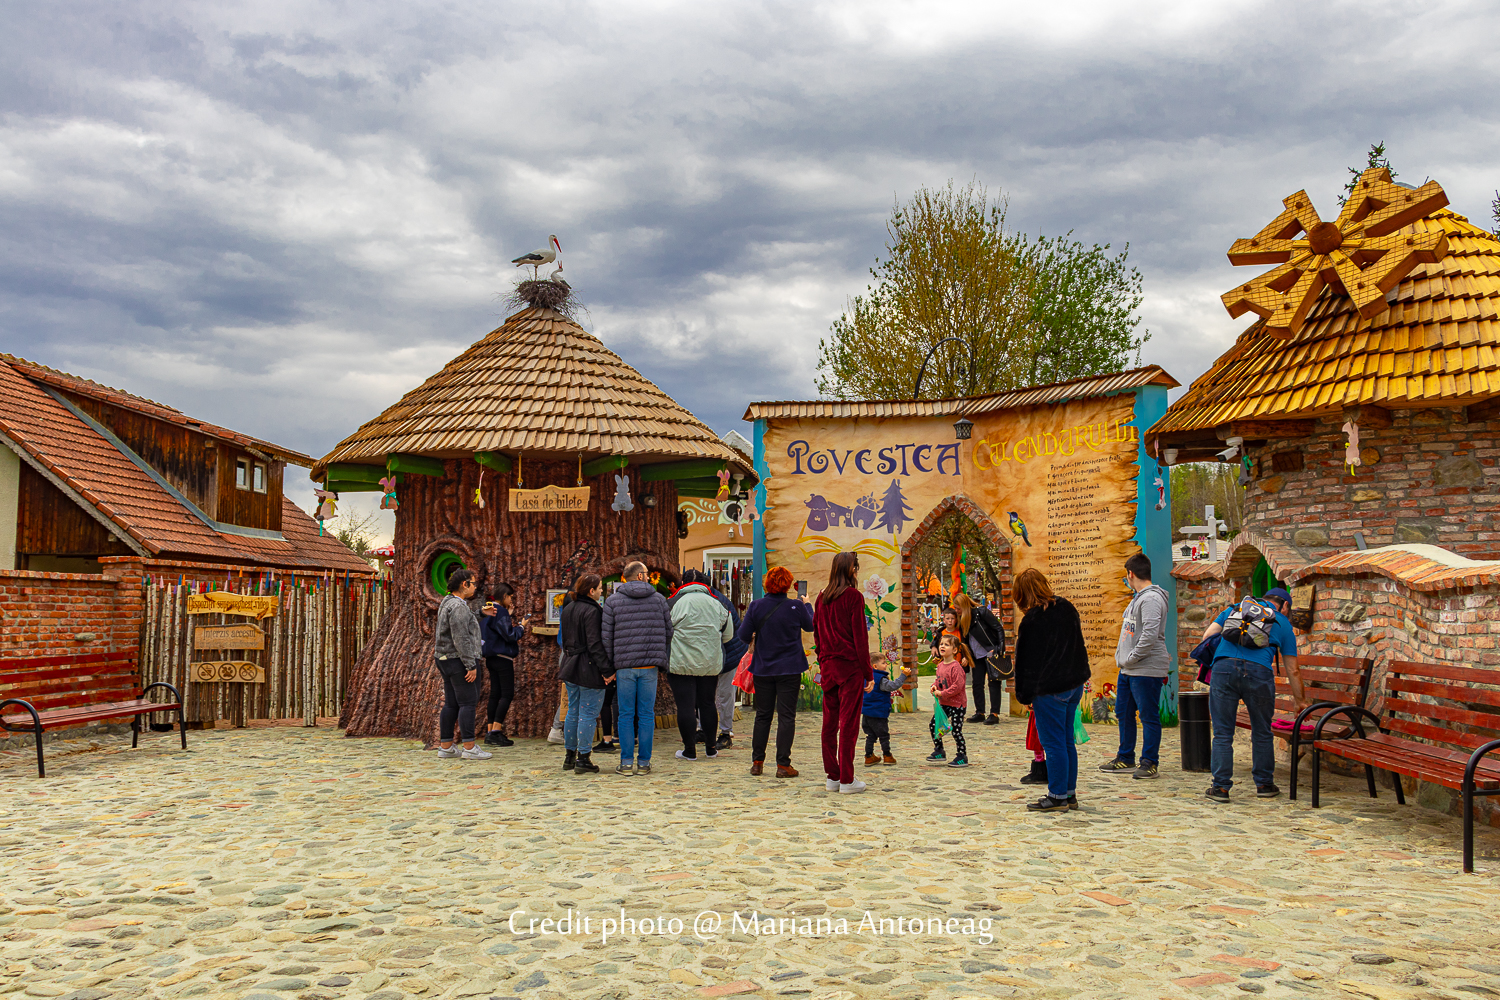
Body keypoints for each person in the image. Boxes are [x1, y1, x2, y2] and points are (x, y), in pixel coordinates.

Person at [1201, 587, 1298, 803]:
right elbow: (1293, 670)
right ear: (1285, 605)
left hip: (1223, 669)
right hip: (1258, 673)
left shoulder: (1234, 609)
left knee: (1222, 733)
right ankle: (1264, 784)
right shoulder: (1282, 622)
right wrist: (1301, 701)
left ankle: (1220, 788)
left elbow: (1208, 636)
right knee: (1262, 731)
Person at [1012, 568, 1091, 812]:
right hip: (1073, 684)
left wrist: (1024, 695)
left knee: (1053, 744)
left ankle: (1057, 796)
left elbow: (1026, 663)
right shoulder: (1067, 608)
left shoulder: (1033, 621)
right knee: (1066, 741)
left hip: (1050, 689)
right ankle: (1069, 792)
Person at [738, 565, 814, 778]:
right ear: (789, 584)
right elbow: (811, 626)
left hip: (763, 668)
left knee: (762, 715)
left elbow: (743, 636)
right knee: (786, 716)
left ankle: (757, 762)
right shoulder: (796, 607)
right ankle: (783, 765)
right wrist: (807, 605)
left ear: (767, 584)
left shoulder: (756, 606)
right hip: (789, 668)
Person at [1100, 553, 1172, 779]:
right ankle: (1125, 757)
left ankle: (1150, 762)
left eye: (1126, 575)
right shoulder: (1138, 597)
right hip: (1129, 669)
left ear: (1131, 574)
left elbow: (1150, 635)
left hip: (1145, 669)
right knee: (1124, 712)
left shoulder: (1151, 599)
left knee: (1149, 716)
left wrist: (1131, 657)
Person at [602, 561, 672, 776]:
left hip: (624, 666)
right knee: (646, 715)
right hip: (649, 665)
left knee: (624, 714)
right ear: (641, 576)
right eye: (647, 574)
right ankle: (644, 763)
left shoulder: (612, 602)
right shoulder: (659, 600)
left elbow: (606, 637)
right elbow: (669, 631)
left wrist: (611, 665)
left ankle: (625, 763)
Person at [813, 552, 873, 794]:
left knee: (829, 724)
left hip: (829, 667)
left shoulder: (821, 598)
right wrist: (868, 672)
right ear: (851, 570)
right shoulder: (853, 597)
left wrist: (822, 659)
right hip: (849, 668)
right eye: (856, 568)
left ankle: (833, 776)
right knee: (848, 724)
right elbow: (860, 638)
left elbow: (817, 633)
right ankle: (847, 779)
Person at [666, 569, 734, 761]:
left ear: (682, 583)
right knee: (707, 703)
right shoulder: (718, 603)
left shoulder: (673, 603)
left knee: (686, 706)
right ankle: (711, 749)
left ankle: (689, 750)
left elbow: (665, 631)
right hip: (709, 662)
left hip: (680, 662)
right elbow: (728, 635)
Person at [434, 568, 493, 761]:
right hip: (458, 660)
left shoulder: (448, 602)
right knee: (468, 702)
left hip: (444, 659)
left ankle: (446, 746)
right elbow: (461, 637)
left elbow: (463, 623)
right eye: (473, 583)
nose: (475, 587)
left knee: (451, 703)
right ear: (464, 584)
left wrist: (480, 613)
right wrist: (470, 665)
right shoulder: (458, 606)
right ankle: (469, 746)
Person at [558, 574, 613, 774]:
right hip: (588, 667)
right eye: (599, 588)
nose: (601, 592)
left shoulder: (569, 608)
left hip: (570, 664)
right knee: (588, 713)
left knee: (573, 710)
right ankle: (583, 757)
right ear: (591, 591)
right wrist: (607, 670)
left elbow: (565, 640)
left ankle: (569, 756)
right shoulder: (592, 611)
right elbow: (595, 644)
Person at [481, 583, 529, 747]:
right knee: (507, 694)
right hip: (503, 657)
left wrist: (508, 616)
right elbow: (510, 635)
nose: (511, 600)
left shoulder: (488, 610)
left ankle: (490, 731)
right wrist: (521, 626)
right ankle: (496, 731)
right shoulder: (500, 611)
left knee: (495, 694)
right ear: (504, 596)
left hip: (490, 657)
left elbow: (495, 629)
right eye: (510, 597)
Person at [953, 593, 1008, 725]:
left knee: (993, 682)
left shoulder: (981, 612)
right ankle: (980, 712)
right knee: (977, 683)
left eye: (958, 608)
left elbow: (998, 628)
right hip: (976, 654)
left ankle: (994, 713)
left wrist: (999, 647)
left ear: (965, 606)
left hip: (990, 651)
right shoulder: (962, 619)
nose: (956, 611)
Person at [707, 583, 747, 750]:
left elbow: (728, 635)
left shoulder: (717, 602)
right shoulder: (712, 599)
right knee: (712, 695)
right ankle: (707, 729)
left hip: (728, 652)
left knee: (724, 694)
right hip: (711, 653)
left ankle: (725, 732)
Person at [926, 633, 973, 767]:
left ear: (954, 650)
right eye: (941, 644)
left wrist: (942, 693)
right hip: (944, 704)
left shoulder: (956, 667)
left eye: (946, 644)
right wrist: (933, 686)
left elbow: (957, 686)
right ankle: (939, 750)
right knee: (934, 725)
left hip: (957, 705)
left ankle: (962, 755)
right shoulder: (940, 665)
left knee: (956, 730)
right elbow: (939, 680)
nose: (942, 646)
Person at [862, 651, 912, 766]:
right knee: (884, 735)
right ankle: (887, 756)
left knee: (871, 735)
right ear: (875, 666)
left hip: (867, 712)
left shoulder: (865, 677)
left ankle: (868, 756)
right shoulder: (880, 678)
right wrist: (903, 675)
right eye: (884, 663)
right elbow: (893, 686)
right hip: (878, 712)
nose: (886, 665)